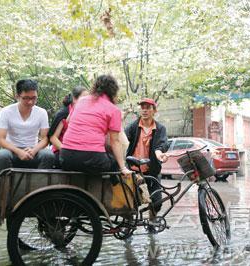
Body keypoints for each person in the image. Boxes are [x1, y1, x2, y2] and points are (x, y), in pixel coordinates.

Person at [59, 74, 131, 177]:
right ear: (113, 91)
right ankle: (109, 192)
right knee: (114, 162)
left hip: (66, 157)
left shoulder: (81, 101)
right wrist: (123, 167)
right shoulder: (114, 110)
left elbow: (68, 121)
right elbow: (115, 142)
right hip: (91, 159)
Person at [125, 98, 169, 226]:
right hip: (134, 170)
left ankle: (152, 222)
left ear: (154, 111)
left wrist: (160, 154)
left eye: (148, 107)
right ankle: (128, 226)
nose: (144, 110)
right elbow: (123, 140)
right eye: (142, 107)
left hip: (152, 170)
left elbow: (162, 144)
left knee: (156, 201)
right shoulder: (133, 126)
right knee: (131, 202)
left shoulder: (160, 128)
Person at [0, 79, 55, 172]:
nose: (30, 102)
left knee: (48, 155)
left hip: (33, 151)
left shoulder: (42, 112)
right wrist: (18, 151)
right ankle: (6, 185)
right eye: (26, 98)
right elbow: (0, 140)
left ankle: (39, 184)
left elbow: (45, 139)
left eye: (34, 98)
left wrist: (34, 150)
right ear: (17, 96)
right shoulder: (6, 112)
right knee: (2, 156)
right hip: (12, 151)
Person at [49, 86, 88, 167]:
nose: (86, 101)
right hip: (61, 150)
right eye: (83, 98)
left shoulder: (87, 113)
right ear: (74, 99)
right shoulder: (63, 113)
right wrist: (65, 151)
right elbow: (53, 138)